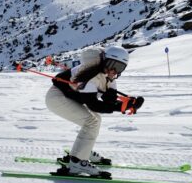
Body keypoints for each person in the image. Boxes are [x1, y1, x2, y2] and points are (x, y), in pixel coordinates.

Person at [45, 45, 144, 176]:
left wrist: (129, 103)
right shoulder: (91, 75)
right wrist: (120, 107)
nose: (114, 71)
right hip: (57, 97)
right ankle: (78, 162)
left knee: (96, 119)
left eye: (119, 67)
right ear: (104, 61)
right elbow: (94, 105)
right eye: (112, 64)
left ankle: (82, 151)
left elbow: (109, 100)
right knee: (91, 120)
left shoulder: (109, 78)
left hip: (69, 97)